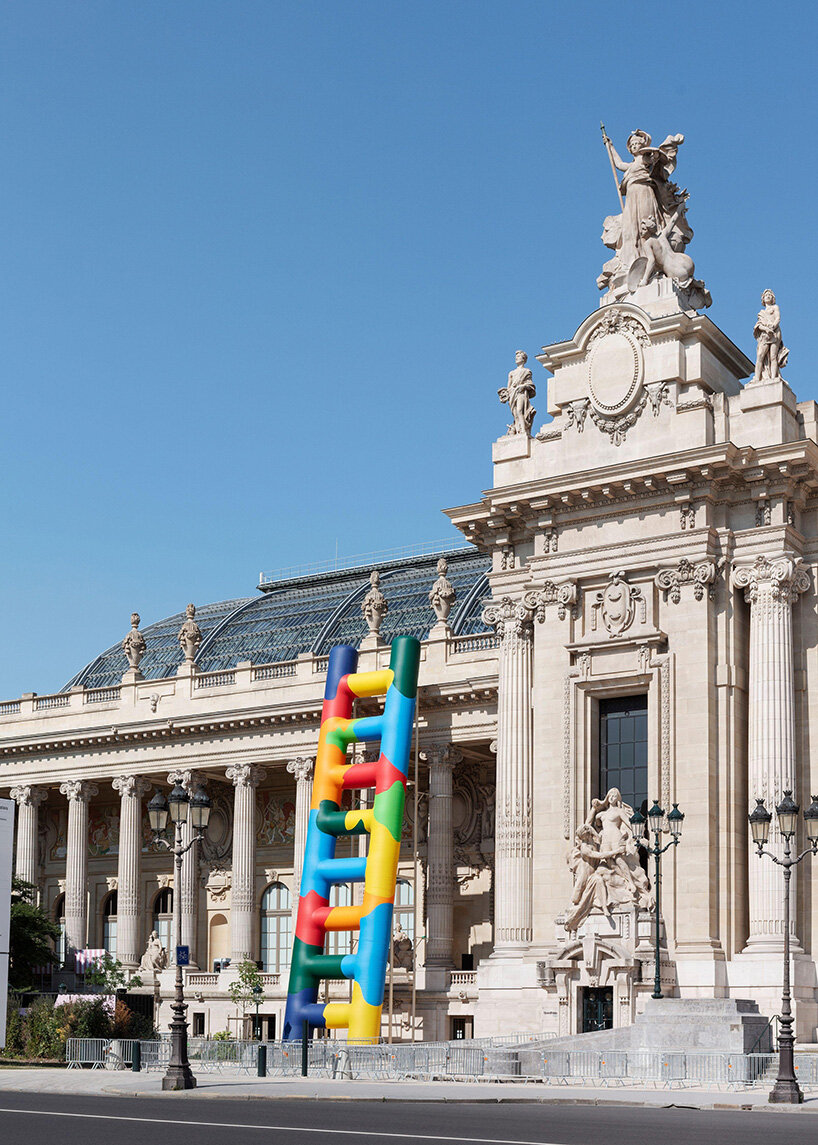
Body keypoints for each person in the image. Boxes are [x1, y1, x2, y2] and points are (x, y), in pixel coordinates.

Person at [601, 129, 690, 272]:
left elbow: (658, 158)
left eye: (637, 143)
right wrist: (610, 146)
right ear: (629, 148)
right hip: (632, 196)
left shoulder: (644, 159)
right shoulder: (630, 166)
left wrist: (657, 152)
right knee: (631, 226)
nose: (635, 145)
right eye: (632, 144)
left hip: (644, 193)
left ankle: (651, 256)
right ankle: (632, 259)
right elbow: (618, 164)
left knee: (645, 222)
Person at [753, 289, 789, 383]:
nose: (768, 296)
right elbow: (758, 325)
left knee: (773, 356)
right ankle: (757, 378)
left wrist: (772, 326)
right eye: (766, 295)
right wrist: (766, 329)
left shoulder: (775, 307)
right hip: (765, 335)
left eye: (770, 295)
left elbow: (778, 318)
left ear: (773, 298)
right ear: (763, 299)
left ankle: (773, 378)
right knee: (760, 355)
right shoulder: (761, 313)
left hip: (775, 333)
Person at [498, 351, 536, 437]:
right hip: (512, 394)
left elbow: (530, 385)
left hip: (521, 393)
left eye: (519, 356)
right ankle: (517, 429)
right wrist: (504, 395)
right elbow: (509, 386)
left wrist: (523, 386)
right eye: (516, 356)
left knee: (520, 410)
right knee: (515, 414)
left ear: (523, 359)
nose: (516, 358)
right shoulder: (511, 373)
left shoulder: (527, 371)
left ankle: (523, 430)